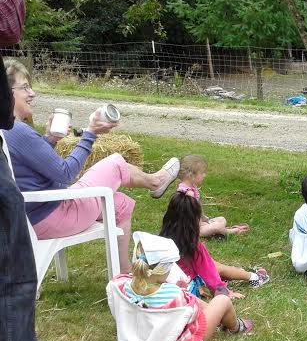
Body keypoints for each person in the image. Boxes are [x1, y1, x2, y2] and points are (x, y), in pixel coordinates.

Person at [3, 58, 181, 274]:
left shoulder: (7, 131)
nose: (32, 93)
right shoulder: (17, 131)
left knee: (121, 204)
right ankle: (156, 182)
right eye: (24, 87)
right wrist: (90, 134)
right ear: (5, 91)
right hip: (52, 216)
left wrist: (50, 139)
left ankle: (123, 272)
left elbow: (32, 167)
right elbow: (65, 173)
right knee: (114, 163)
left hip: (32, 215)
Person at [0, 0, 75, 341]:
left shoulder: (26, 133)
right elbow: (7, 24)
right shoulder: (22, 134)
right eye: (25, 88)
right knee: (12, 267)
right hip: (51, 210)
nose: (33, 93)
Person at [107, 232, 252, 341]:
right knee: (222, 301)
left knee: (205, 305)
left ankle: (223, 319)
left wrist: (179, 291)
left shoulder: (117, 284)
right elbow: (195, 316)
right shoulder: (174, 295)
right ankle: (235, 326)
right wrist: (183, 292)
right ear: (162, 269)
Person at [159, 189, 269, 300]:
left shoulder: (162, 240)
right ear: (194, 221)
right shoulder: (194, 246)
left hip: (169, 284)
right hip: (188, 287)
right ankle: (254, 277)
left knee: (214, 265)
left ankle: (239, 273)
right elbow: (208, 272)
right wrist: (225, 292)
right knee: (215, 267)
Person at [177, 154, 249, 239]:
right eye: (202, 173)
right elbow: (191, 214)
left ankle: (217, 231)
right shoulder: (189, 194)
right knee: (217, 226)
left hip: (197, 223)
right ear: (191, 175)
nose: (204, 175)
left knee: (222, 219)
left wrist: (204, 218)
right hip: (191, 229)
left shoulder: (190, 187)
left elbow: (197, 210)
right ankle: (233, 231)